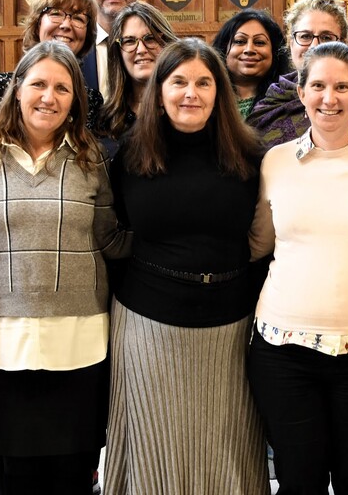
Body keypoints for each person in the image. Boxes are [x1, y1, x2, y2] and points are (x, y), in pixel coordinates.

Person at [0, 41, 127, 494]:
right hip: (1, 344)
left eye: (62, 88)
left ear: (76, 101)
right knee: (15, 482)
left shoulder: (97, 158)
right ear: (17, 90)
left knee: (73, 480)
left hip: (79, 343)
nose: (48, 97)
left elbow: (110, 236)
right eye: (37, 84)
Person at [105, 39, 268, 494]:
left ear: (221, 93)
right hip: (147, 325)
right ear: (159, 91)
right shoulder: (129, 157)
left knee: (227, 447)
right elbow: (114, 236)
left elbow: (262, 242)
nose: (190, 93)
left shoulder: (251, 156)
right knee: (155, 448)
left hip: (230, 327)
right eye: (178, 82)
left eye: (203, 82)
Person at [247, 42, 348, 495]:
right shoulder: (276, 162)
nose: (329, 98)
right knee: (301, 479)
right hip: (283, 351)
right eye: (317, 85)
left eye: (342, 86)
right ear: (301, 93)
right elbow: (259, 244)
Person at [246, 0, 348, 148]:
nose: (314, 46)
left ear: (344, 44)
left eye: (326, 37)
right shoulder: (269, 106)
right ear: (291, 43)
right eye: (305, 36)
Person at [0, 0, 104, 146]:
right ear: (37, 23)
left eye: (78, 18)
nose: (66, 25)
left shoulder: (91, 101)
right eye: (56, 14)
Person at [97, 1, 177, 141]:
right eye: (129, 41)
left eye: (150, 39)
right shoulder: (105, 120)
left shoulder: (186, 109)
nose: (141, 50)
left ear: (166, 44)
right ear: (118, 53)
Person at [211, 9, 289, 119]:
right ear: (224, 49)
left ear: (275, 52)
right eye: (240, 41)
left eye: (259, 42)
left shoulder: (291, 101)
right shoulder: (206, 99)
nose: (249, 49)